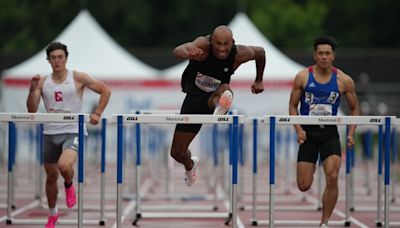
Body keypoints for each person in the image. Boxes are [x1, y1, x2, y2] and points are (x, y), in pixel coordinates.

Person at [26, 42, 111, 228]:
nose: (57, 61)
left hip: (72, 130)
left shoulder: (78, 77)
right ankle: (52, 213)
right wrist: (32, 89)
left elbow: (106, 90)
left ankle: (69, 183)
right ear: (48, 60)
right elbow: (32, 109)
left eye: (60, 57)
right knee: (50, 177)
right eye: (53, 58)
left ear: (66, 58)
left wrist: (97, 113)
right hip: (50, 132)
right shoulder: (42, 81)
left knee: (64, 166)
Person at [171, 25, 266, 186]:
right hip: (194, 98)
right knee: (177, 152)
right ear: (211, 41)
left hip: (215, 95)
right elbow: (178, 50)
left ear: (233, 42)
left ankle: (221, 104)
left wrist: (259, 80)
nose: (222, 49)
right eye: (218, 44)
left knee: (224, 89)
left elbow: (261, 53)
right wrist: (188, 52)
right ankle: (190, 164)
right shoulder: (202, 45)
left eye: (226, 44)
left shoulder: (240, 53)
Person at [288, 36, 360, 228]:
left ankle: (324, 222)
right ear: (315, 55)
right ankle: (312, 167)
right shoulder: (303, 77)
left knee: (333, 176)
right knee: (303, 185)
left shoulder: (344, 80)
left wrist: (351, 133)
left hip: (329, 133)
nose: (324, 57)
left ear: (333, 56)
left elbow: (355, 109)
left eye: (327, 53)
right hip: (308, 134)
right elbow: (292, 106)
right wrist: (298, 129)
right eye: (320, 53)